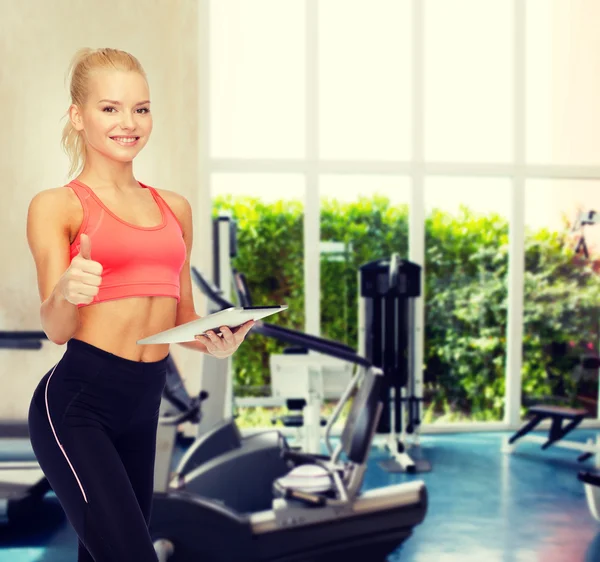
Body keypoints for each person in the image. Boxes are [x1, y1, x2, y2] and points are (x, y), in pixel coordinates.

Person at [26, 47, 254, 562]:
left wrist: (216, 339)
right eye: (110, 108)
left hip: (142, 404)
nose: (129, 123)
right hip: (77, 404)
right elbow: (56, 328)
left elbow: (183, 319)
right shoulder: (57, 205)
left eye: (141, 109)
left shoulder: (174, 207)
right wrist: (66, 291)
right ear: (77, 117)